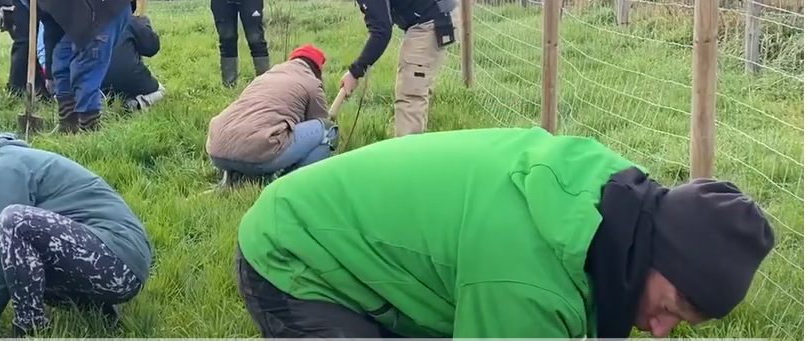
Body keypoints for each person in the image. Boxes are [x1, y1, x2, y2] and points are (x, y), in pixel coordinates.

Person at [234, 126, 775, 339]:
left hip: (354, 237)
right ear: (659, 256)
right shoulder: (530, 282)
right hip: (294, 253)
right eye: (671, 309)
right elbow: (529, 298)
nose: (660, 332)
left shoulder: (610, 202)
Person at [0, 115, 153, 337]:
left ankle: (31, 329)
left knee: (13, 223)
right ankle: (98, 313)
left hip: (120, 262)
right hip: (108, 260)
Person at [316, 0, 456, 137]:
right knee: (415, 89)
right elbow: (381, 22)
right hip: (431, 15)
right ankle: (416, 148)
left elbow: (381, 31)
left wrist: (356, 71)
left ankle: (406, 159)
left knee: (410, 93)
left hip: (432, 19)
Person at [17, 0, 135, 133]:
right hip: (83, 23)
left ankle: (89, 129)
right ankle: (68, 126)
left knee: (85, 67)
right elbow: (52, 30)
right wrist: (51, 75)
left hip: (105, 10)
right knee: (61, 62)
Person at [206, 44, 337, 187]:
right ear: (317, 69)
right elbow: (319, 121)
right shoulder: (312, 83)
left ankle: (238, 181)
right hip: (257, 152)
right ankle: (292, 185)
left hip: (217, 150)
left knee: (255, 131)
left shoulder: (266, 76)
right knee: (328, 131)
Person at [1, 0, 50, 99]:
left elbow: (45, 31)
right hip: (27, 1)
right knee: (25, 41)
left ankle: (43, 87)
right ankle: (18, 88)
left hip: (43, 3)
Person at [100, 12, 166, 113]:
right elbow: (151, 48)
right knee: (160, 91)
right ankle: (136, 104)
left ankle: (105, 104)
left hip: (95, 82)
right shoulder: (128, 19)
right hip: (129, 76)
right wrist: (145, 25)